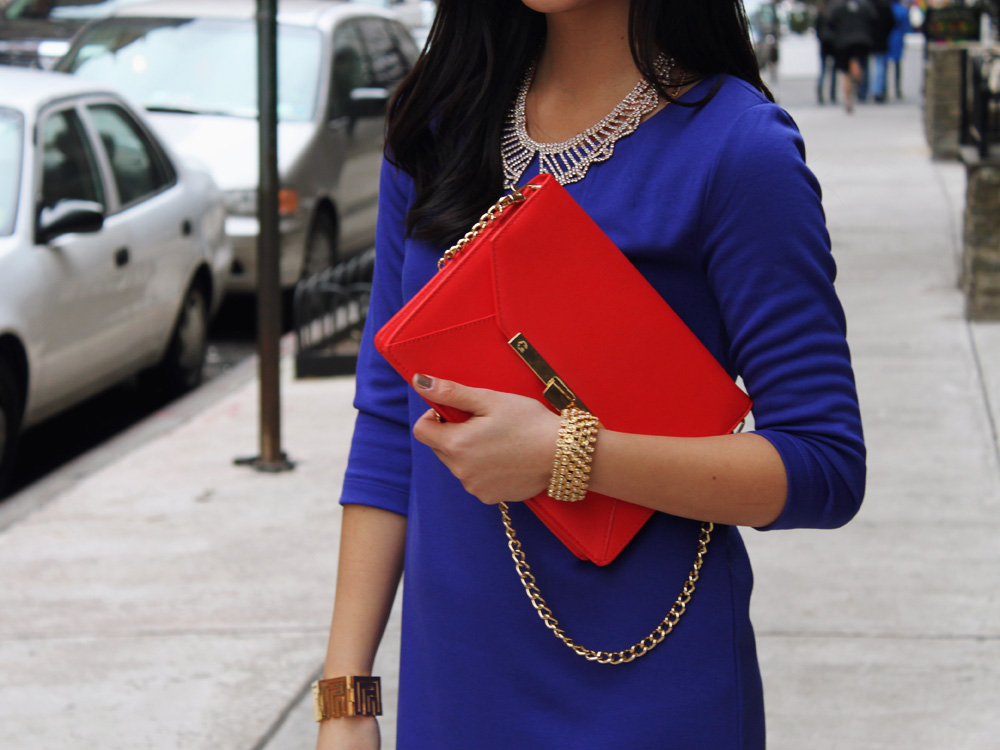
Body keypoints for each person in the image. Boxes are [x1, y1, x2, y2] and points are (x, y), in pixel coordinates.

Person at [316, 1, 866, 748]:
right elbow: (390, 418)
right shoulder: (437, 125)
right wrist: (345, 698)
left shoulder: (737, 148)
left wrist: (568, 454)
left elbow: (824, 465)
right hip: (455, 687)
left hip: (650, 690)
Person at [824, 0, 879, 113]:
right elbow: (874, 21)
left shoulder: (836, 7)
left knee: (845, 74)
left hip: (842, 42)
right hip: (862, 40)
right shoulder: (865, 5)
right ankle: (856, 75)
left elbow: (829, 23)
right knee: (859, 65)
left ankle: (847, 99)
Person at [886, 0, 912, 100]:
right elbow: (906, 26)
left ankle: (883, 89)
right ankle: (897, 89)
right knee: (897, 64)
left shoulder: (887, 8)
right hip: (898, 38)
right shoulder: (902, 10)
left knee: (884, 65)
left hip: (887, 37)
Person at [816, 0, 839, 104]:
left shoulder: (821, 13)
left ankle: (820, 94)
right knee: (833, 71)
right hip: (833, 42)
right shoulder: (835, 11)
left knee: (823, 70)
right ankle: (832, 94)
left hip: (824, 43)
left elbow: (817, 29)